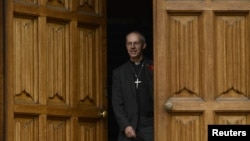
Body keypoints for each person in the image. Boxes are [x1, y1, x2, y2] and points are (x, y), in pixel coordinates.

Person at [112, 31, 154, 141]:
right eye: (129, 44)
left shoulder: (154, 67)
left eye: (136, 43)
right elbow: (117, 103)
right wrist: (125, 125)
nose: (132, 47)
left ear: (144, 45)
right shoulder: (119, 73)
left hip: (151, 126)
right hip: (129, 125)